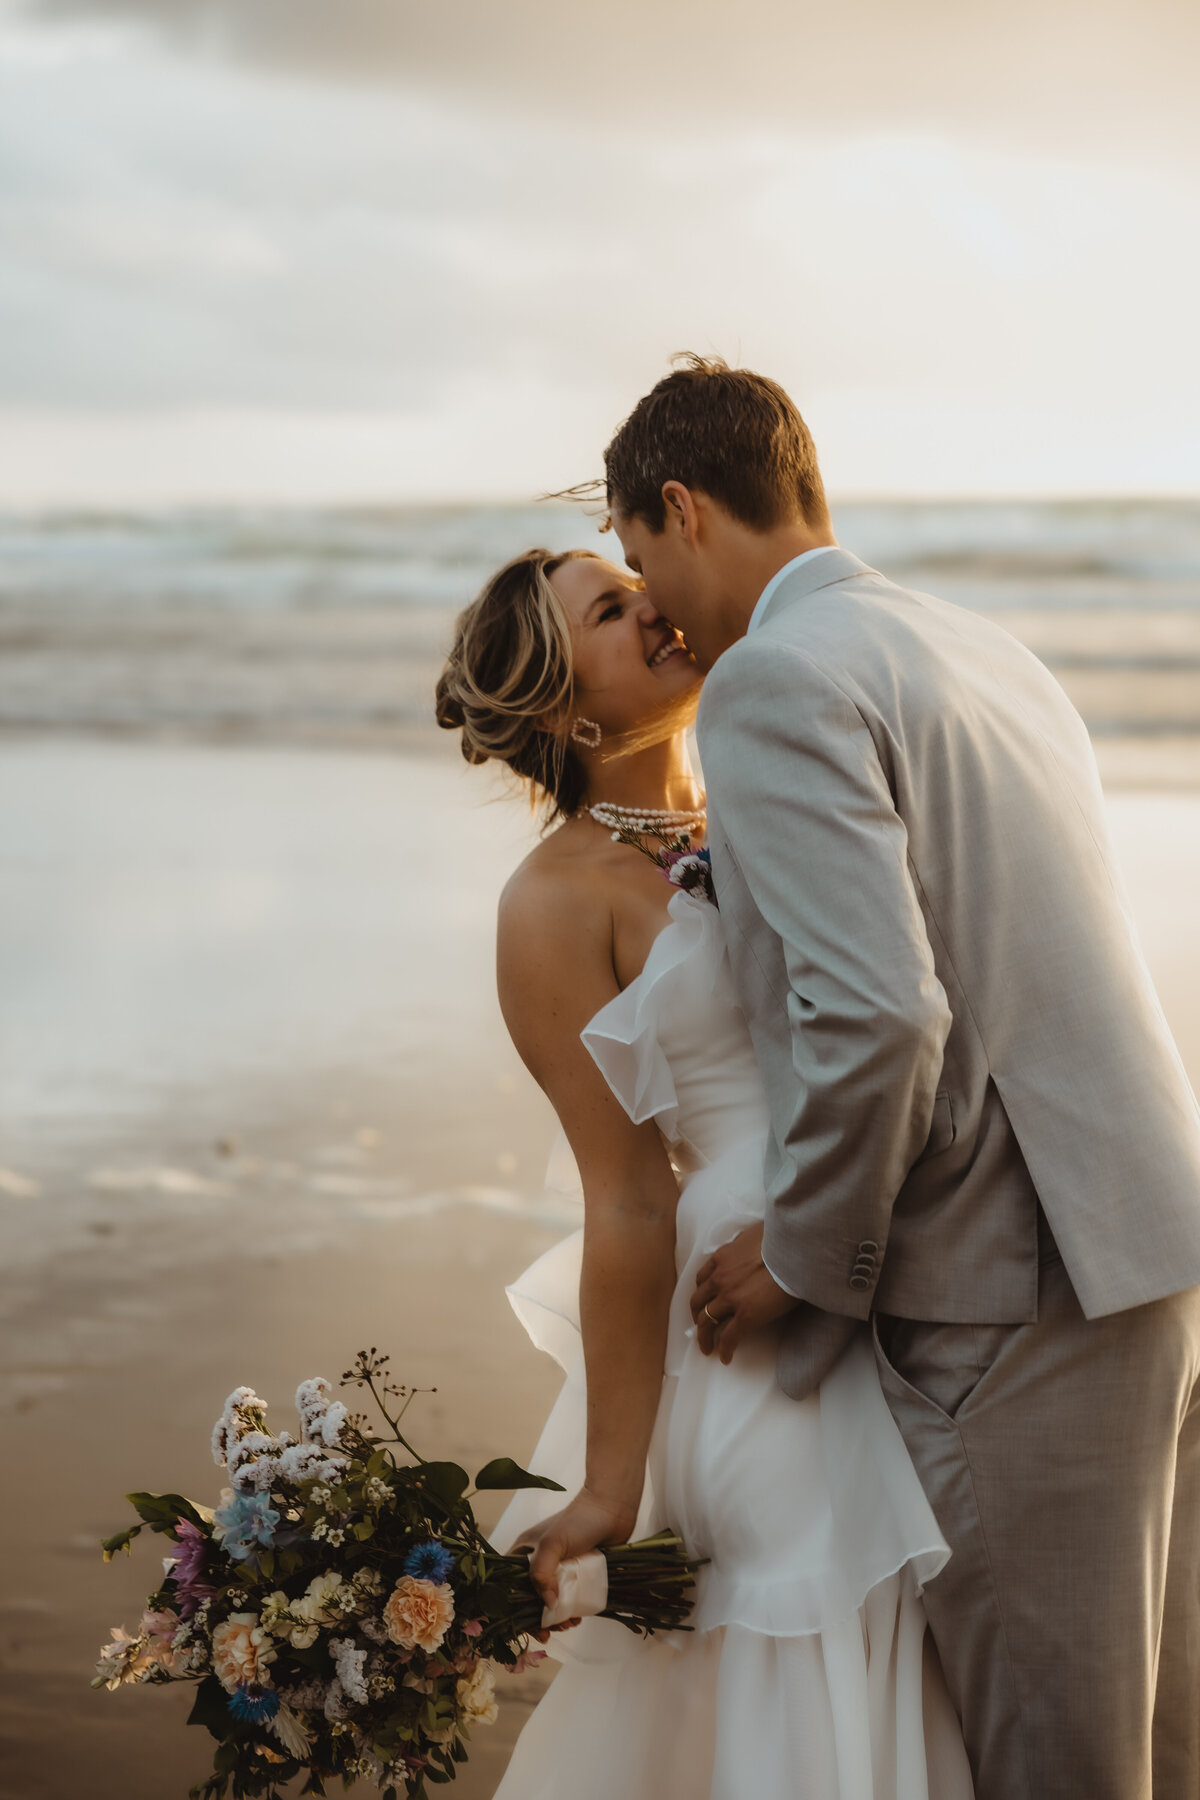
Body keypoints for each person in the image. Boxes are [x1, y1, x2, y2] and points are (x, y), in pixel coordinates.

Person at [600, 355, 1200, 1800]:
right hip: (1147, 1242)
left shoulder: (774, 680)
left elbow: (880, 1013)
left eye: (637, 561)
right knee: (1152, 1749)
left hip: (1011, 1295)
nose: (656, 604)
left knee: (1053, 1764)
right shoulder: (980, 645)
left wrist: (802, 1262)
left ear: (683, 507)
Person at [435, 547, 974, 1798]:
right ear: (569, 708)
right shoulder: (551, 905)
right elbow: (625, 1196)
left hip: (891, 1246)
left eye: (639, 585)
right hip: (744, 1317)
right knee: (800, 1610)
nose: (654, 611)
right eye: (612, 615)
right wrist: (612, 1488)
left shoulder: (761, 792)